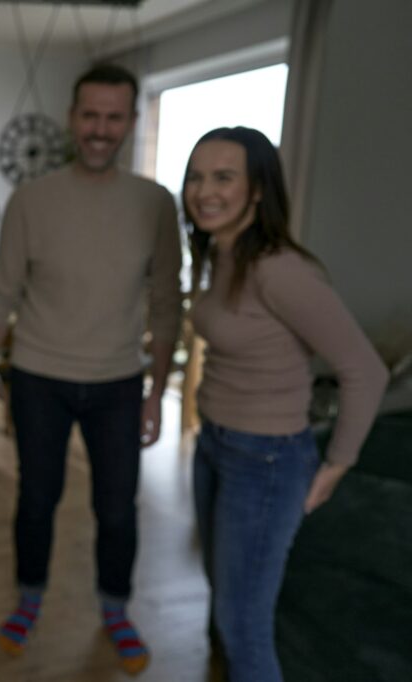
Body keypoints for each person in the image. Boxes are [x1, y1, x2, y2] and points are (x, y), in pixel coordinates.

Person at [0, 63, 182, 674]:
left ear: (130, 122)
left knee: (118, 506)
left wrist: (157, 392)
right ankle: (30, 598)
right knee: (37, 497)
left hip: (120, 382)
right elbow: (2, 293)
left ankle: (115, 608)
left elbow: (167, 304)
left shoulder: (155, 203)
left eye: (113, 117)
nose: (100, 128)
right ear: (72, 118)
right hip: (39, 376)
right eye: (90, 115)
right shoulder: (31, 200)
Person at [182, 126, 388, 682]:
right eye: (196, 176)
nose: (204, 190)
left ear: (257, 190)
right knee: (225, 597)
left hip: (266, 460)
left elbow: (365, 369)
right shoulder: (222, 253)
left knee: (243, 621)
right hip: (216, 444)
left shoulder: (280, 270)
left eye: (224, 177)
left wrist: (338, 464)